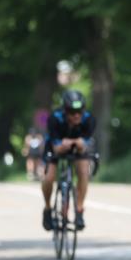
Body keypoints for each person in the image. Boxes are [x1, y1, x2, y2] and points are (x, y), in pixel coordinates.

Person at [42, 89, 95, 231]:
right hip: (55, 147)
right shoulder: (54, 118)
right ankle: (47, 209)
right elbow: (56, 147)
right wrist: (62, 145)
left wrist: (79, 144)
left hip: (76, 149)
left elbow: (85, 145)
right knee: (49, 177)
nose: (77, 115)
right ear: (65, 111)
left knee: (84, 171)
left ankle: (79, 210)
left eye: (79, 112)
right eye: (72, 112)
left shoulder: (89, 119)